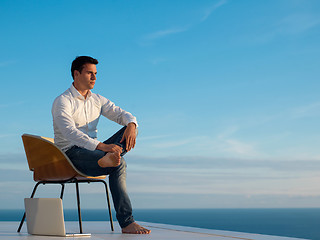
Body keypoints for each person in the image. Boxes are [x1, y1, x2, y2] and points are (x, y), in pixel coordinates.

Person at [51, 56, 150, 234]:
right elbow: (70, 133)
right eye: (90, 73)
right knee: (120, 164)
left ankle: (107, 160)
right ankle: (127, 222)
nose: (94, 78)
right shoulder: (63, 101)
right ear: (76, 74)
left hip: (96, 151)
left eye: (95, 74)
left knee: (128, 130)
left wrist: (132, 125)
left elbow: (120, 113)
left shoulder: (97, 99)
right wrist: (103, 148)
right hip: (70, 155)